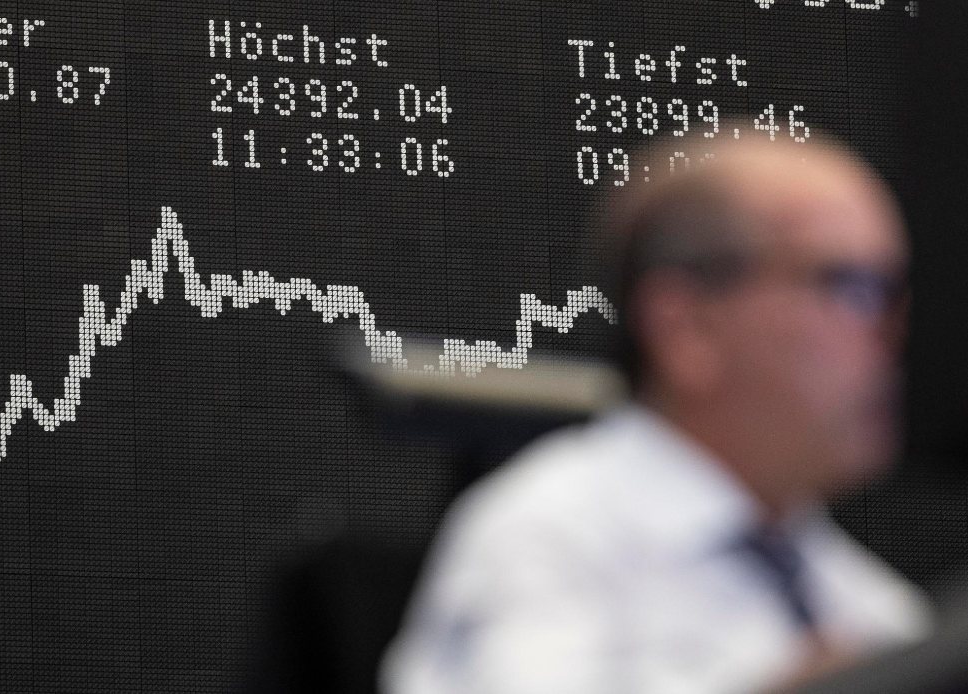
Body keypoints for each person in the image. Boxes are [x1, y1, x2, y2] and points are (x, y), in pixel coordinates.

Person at [380, 132, 933, 694]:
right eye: (854, 287)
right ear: (686, 327)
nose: (891, 335)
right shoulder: (545, 539)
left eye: (896, 295)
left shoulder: (869, 604)